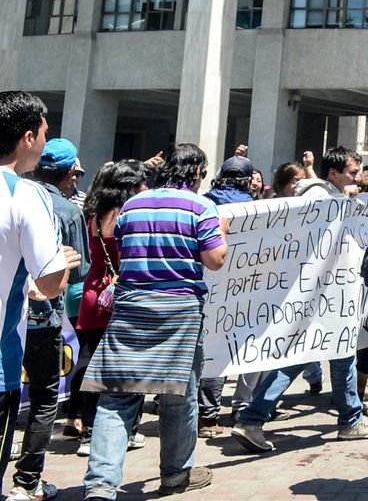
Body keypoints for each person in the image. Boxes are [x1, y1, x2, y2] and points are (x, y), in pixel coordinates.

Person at [81, 143, 227, 500]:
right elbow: (215, 260)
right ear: (195, 172)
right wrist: (221, 232)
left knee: (116, 397)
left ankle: (100, 485)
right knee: (179, 398)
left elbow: (122, 246)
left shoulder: (131, 206)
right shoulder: (202, 207)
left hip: (130, 309)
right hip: (178, 312)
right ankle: (176, 475)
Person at [230, 146, 368, 454]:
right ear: (334, 173)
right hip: (322, 295)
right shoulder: (318, 198)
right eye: (352, 173)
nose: (356, 178)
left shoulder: (325, 196)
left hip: (328, 295)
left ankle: (255, 418)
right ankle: (348, 419)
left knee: (319, 357)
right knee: (331, 356)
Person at [0, 92, 74, 494]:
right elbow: (50, 282)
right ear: (28, 137)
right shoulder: (26, 194)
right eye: (45, 133)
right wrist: (61, 261)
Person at [10, 138, 91, 501]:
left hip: (11, 316)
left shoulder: (13, 193)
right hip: (43, 318)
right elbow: (75, 272)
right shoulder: (67, 210)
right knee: (44, 399)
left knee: (9, 391)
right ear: (68, 173)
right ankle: (28, 480)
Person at [73, 161, 152, 457]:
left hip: (94, 294)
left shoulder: (92, 216)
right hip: (123, 296)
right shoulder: (128, 217)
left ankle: (89, 433)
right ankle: (129, 430)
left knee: (95, 366)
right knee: (130, 367)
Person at [198, 156, 256, 437]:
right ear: (247, 179)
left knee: (213, 348)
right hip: (252, 286)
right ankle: (242, 410)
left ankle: (207, 416)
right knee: (250, 346)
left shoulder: (205, 203)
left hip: (209, 282)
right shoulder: (257, 208)